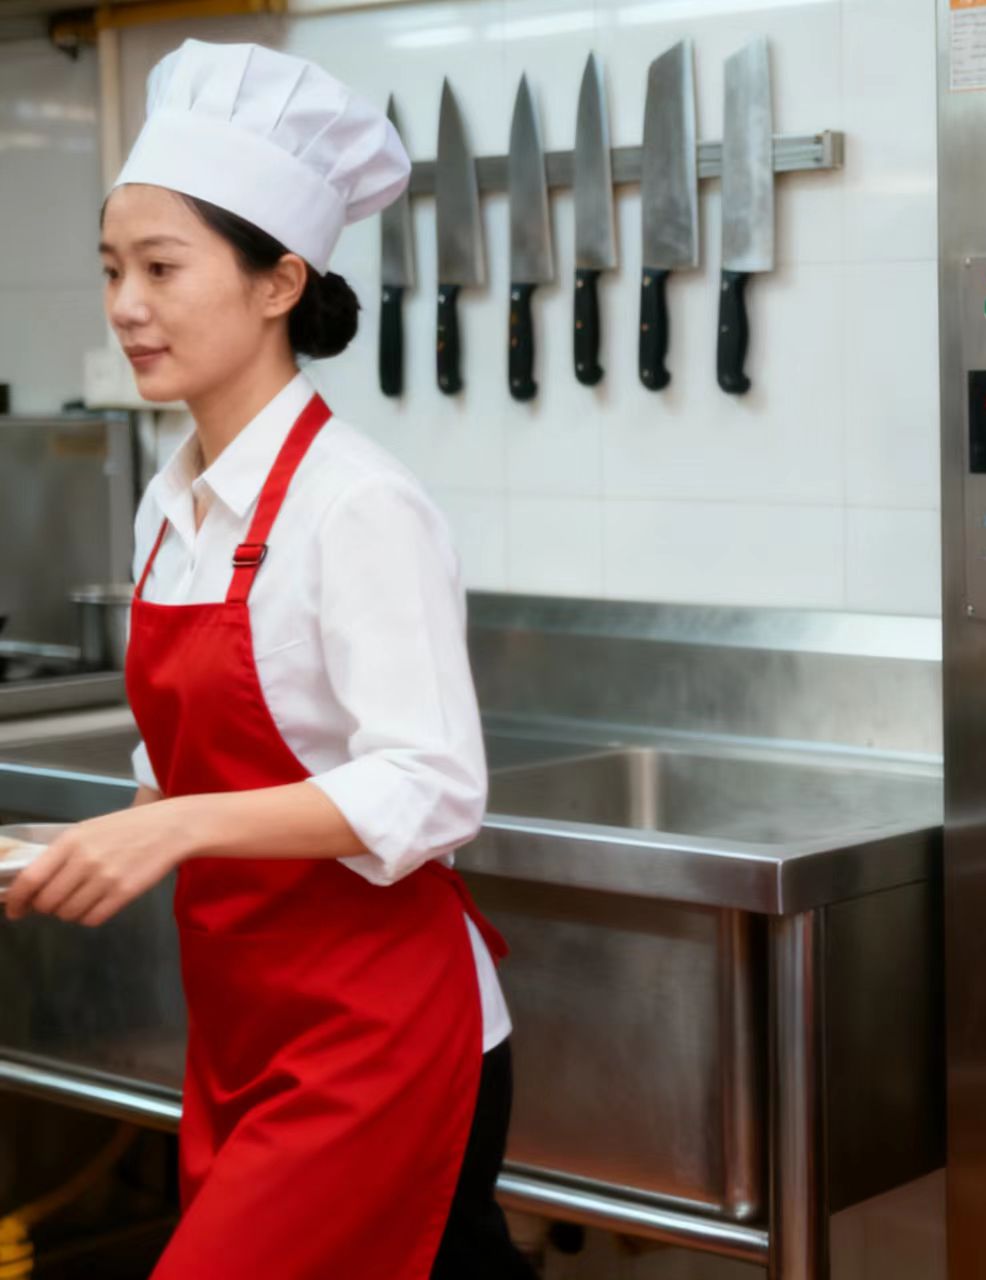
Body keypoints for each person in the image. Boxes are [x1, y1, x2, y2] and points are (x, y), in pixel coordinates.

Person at [5, 39, 534, 1279]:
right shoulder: (169, 503)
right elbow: (175, 765)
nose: (127, 303)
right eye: (111, 270)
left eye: (162, 267)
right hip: (245, 1026)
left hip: (380, 1037)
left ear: (277, 281)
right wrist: (77, 845)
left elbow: (433, 784)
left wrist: (173, 833)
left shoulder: (356, 505)